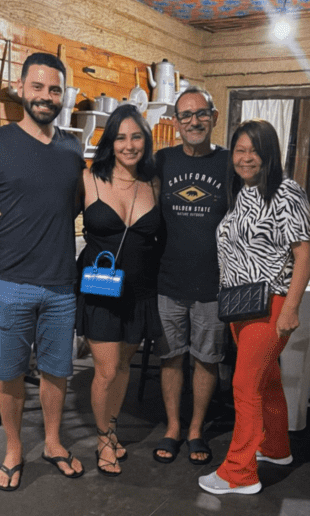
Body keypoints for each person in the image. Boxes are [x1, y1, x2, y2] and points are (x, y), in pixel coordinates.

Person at [0, 52, 86, 491]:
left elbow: (71, 206)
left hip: (60, 284)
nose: (46, 97)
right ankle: (14, 448)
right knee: (9, 372)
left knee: (57, 370)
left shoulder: (73, 148)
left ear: (63, 95)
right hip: (8, 281)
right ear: (21, 87)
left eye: (54, 89)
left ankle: (52, 442)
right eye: (38, 87)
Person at [197, 120, 310, 494]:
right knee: (268, 380)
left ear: (269, 153)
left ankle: (239, 474)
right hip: (240, 304)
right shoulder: (244, 190)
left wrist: (292, 307)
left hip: (271, 303)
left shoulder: (286, 191)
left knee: (245, 387)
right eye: (239, 150)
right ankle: (276, 449)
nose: (245, 158)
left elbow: (303, 252)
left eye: (253, 151)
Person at [75, 105, 161, 476]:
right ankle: (103, 439)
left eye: (136, 136)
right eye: (121, 137)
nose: (129, 145)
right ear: (110, 140)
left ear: (146, 140)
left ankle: (112, 429)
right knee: (106, 371)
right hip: (100, 289)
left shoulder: (153, 183)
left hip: (140, 290)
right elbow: (48, 213)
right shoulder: (88, 178)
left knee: (124, 365)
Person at [152, 86, 231, 465]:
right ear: (177, 122)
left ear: (214, 117)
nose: (194, 121)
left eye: (201, 113)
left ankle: (196, 429)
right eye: (186, 115)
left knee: (206, 359)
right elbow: (126, 186)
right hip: (168, 280)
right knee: (170, 357)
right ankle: (172, 427)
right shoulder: (162, 160)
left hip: (215, 284)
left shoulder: (232, 163)